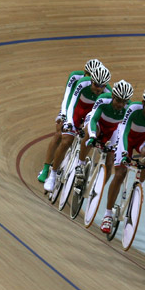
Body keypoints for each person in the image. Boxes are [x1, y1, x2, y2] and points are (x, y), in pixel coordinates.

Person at [100, 85, 145, 234]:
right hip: (126, 137)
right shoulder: (133, 108)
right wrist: (125, 154)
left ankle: (139, 186)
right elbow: (124, 132)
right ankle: (107, 215)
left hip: (143, 137)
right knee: (120, 174)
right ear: (143, 103)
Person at [43, 64, 111, 193]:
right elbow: (71, 103)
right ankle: (52, 175)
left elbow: (101, 115)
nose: (99, 88)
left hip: (91, 114)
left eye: (102, 86)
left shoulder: (108, 93)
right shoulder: (82, 83)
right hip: (77, 110)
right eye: (96, 84)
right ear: (91, 80)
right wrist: (68, 121)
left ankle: (80, 164)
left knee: (89, 136)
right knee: (66, 140)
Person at [82, 80, 133, 187]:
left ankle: (97, 190)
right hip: (97, 122)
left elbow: (125, 131)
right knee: (90, 135)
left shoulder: (129, 108)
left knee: (110, 163)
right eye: (118, 100)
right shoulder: (103, 99)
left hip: (112, 129)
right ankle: (80, 163)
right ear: (113, 95)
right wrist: (92, 136)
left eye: (124, 102)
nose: (120, 104)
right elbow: (93, 119)